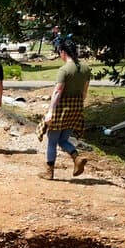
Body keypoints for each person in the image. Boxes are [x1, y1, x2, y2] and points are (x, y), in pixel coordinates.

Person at [41, 39, 90, 179]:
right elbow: (84, 92)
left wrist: (50, 111)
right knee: (63, 140)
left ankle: (49, 172)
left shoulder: (64, 70)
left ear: (63, 52)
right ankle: (76, 158)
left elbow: (57, 92)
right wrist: (78, 108)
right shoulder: (86, 69)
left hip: (61, 108)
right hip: (76, 108)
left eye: (59, 52)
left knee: (52, 140)